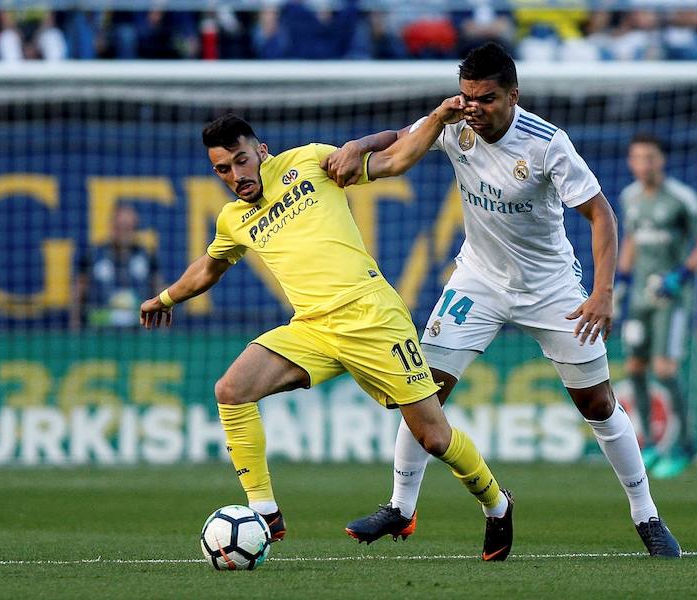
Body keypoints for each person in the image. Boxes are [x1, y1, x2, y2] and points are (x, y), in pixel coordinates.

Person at [323, 42, 681, 558]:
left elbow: (602, 214)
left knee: (598, 403)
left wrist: (602, 293)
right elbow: (402, 137)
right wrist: (359, 143)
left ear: (513, 95)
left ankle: (646, 515)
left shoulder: (547, 143)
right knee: (421, 392)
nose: (474, 108)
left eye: (486, 99)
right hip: (478, 281)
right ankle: (401, 508)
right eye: (467, 97)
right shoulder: (456, 122)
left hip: (550, 287)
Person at [138, 108, 516, 561]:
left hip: (372, 317)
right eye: (223, 168)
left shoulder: (310, 162)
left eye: (241, 160)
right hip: (314, 328)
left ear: (260, 151)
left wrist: (425, 121)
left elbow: (394, 157)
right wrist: (164, 299)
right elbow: (207, 268)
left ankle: (497, 504)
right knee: (231, 389)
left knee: (433, 438)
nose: (236, 175)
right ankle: (265, 512)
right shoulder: (232, 219)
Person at [614, 134, 697, 478]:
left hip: (671, 299)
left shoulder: (681, 198)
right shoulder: (629, 197)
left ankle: (686, 444)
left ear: (662, 161)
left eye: (650, 158)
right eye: (637, 158)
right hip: (640, 299)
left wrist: (681, 275)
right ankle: (650, 445)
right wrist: (623, 283)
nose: (643, 165)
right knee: (635, 368)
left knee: (664, 370)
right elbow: (630, 240)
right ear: (631, 163)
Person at [71, 204, 162, 329]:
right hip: (99, 332)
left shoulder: (147, 258)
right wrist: (75, 326)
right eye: (120, 227)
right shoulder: (93, 256)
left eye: (129, 228)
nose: (124, 233)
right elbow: (78, 294)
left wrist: (162, 331)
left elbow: (159, 293)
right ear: (112, 227)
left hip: (137, 333)